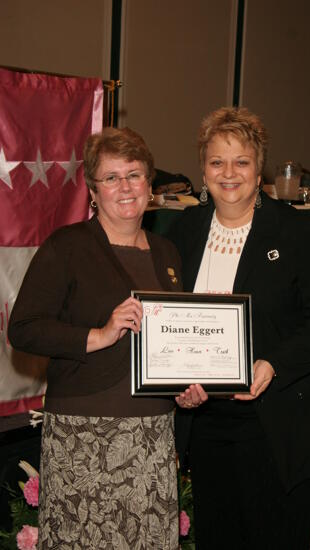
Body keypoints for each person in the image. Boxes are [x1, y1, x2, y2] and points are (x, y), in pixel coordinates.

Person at [168, 107, 310, 549]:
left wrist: (274, 363)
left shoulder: (296, 232)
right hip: (208, 424)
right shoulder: (185, 230)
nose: (228, 173)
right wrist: (174, 381)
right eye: (217, 162)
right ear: (203, 169)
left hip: (278, 423)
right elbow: (169, 319)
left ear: (259, 168)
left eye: (241, 162)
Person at [8, 126, 182, 549]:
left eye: (135, 174)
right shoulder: (66, 247)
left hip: (153, 435)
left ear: (150, 185)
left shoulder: (167, 253)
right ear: (92, 189)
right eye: (111, 177)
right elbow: (23, 328)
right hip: (84, 436)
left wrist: (188, 386)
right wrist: (98, 335)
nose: (125, 187)